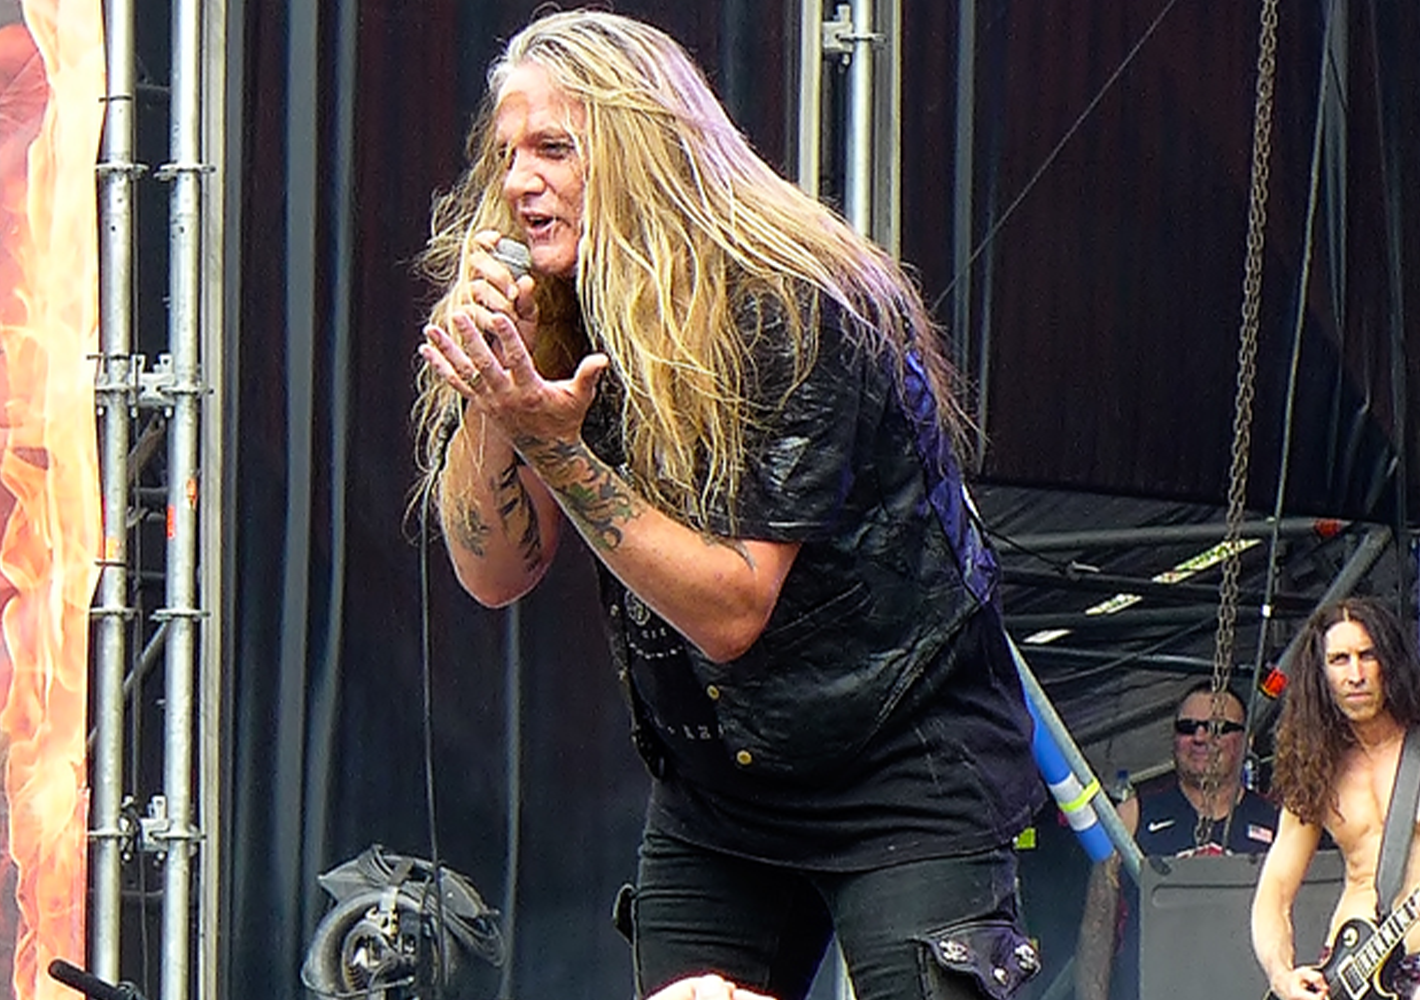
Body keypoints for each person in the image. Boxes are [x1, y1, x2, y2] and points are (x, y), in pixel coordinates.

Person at [411, 11, 1044, 1000]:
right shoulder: (561, 302)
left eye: (552, 147)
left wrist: (549, 440)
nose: (519, 180)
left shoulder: (793, 303)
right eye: (505, 155)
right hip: (721, 789)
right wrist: (493, 394)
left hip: (902, 763)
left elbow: (731, 608)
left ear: (642, 152)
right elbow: (492, 574)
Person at [1252, 597, 1420, 1000]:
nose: (1356, 674)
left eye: (1367, 656)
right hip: (1348, 976)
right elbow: (1275, 888)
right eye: (1340, 660)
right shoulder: (1318, 767)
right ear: (1320, 674)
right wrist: (1281, 975)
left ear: (1390, 663)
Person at [1073, 681, 1278, 1000]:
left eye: (1218, 728)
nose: (1200, 737)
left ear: (1247, 740)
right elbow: (1097, 929)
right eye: (1187, 727)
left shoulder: (1278, 821)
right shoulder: (1132, 815)